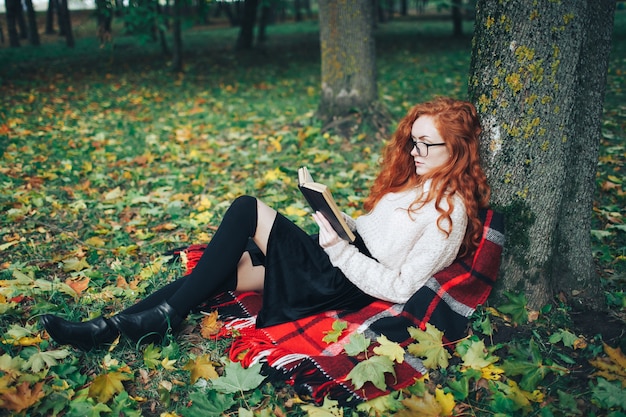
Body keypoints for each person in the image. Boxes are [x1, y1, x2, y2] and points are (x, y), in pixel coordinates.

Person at [40, 97, 491, 351]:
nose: (414, 152)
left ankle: (160, 319)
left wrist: (338, 249)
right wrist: (338, 219)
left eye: (426, 145)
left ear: (458, 150)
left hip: (340, 278)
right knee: (213, 275)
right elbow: (376, 232)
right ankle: (113, 327)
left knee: (246, 209)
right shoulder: (419, 182)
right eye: (413, 142)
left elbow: (398, 286)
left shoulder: (448, 217)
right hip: (337, 259)